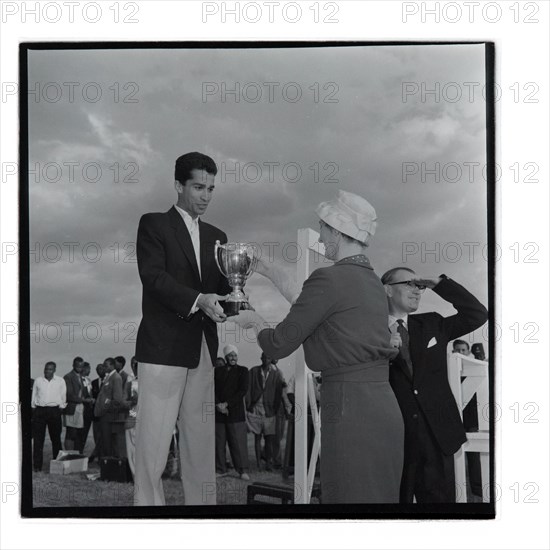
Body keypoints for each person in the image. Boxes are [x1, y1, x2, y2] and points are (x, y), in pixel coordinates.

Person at [235, 190, 404, 503]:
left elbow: (277, 345)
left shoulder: (330, 279)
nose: (322, 236)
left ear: (338, 232)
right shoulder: (371, 284)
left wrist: (254, 319)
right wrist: (265, 268)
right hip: (383, 407)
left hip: (350, 408)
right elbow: (309, 306)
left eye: (324, 228)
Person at [134, 151, 231, 506]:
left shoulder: (218, 236)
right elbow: (153, 277)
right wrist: (200, 299)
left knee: (201, 444)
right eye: (198, 187)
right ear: (178, 185)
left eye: (211, 188)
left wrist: (236, 299)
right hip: (163, 349)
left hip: (203, 351)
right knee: (153, 447)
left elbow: (222, 292)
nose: (205, 195)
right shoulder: (154, 224)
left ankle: (202, 520)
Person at [381, 267, 488, 503]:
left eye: (420, 286)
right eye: (410, 283)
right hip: (392, 440)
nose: (417, 291)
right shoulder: (369, 331)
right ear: (387, 290)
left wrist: (438, 284)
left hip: (436, 437)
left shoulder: (433, 323)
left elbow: (477, 314)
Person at [246, 353, 289, 472]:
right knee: (257, 438)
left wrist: (275, 409)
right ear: (261, 358)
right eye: (264, 358)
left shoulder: (277, 374)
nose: (266, 360)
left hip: (269, 410)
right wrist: (249, 405)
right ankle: (259, 463)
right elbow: (248, 388)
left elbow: (279, 392)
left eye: (269, 358)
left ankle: (269, 463)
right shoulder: (254, 371)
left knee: (270, 439)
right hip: (255, 409)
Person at [452, 339, 482, 499]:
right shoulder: (450, 371)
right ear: (453, 352)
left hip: (472, 419)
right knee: (455, 456)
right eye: (458, 350)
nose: (461, 353)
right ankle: (457, 492)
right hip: (455, 419)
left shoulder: (477, 370)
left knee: (474, 458)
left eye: (464, 350)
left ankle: (477, 490)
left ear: (468, 351)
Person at [214, 345, 250, 480]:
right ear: (226, 357)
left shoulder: (243, 371)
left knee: (238, 443)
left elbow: (242, 391)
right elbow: (212, 389)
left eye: (235, 355)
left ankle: (242, 470)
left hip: (235, 413)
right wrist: (218, 404)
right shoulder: (217, 371)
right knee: (219, 442)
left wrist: (227, 404)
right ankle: (220, 469)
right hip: (219, 412)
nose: (233, 358)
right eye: (230, 355)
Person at [31, 362, 66, 472]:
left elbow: (63, 396)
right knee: (38, 440)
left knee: (56, 439)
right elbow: (34, 396)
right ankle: (37, 466)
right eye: (46, 369)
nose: (47, 371)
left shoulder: (60, 381)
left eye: (50, 369)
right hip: (40, 411)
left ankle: (57, 465)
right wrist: (34, 407)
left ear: (54, 370)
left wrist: (60, 408)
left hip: (54, 411)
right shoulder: (38, 380)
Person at [93, 358, 125, 458]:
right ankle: (107, 465)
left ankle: (110, 466)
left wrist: (105, 406)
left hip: (109, 416)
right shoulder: (109, 377)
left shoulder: (116, 378)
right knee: (105, 442)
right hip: (105, 415)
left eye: (106, 365)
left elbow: (117, 399)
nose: (104, 366)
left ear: (112, 365)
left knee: (108, 443)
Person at [62, 357, 92, 451]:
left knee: (77, 433)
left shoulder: (80, 377)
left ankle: (75, 456)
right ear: (73, 365)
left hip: (80, 409)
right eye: (77, 366)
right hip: (72, 408)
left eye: (81, 366)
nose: (79, 368)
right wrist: (84, 400)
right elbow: (69, 395)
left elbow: (82, 392)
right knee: (71, 433)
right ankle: (69, 455)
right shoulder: (68, 377)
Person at [123, 357, 139, 478]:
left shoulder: (152, 383)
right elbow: (123, 401)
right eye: (133, 364)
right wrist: (131, 402)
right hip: (132, 417)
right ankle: (135, 475)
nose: (135, 367)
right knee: (132, 448)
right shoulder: (129, 383)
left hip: (148, 420)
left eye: (137, 364)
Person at [89, 363, 106, 463]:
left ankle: (97, 455)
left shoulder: (109, 382)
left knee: (104, 436)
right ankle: (98, 455)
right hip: (96, 414)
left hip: (105, 413)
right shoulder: (94, 382)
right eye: (97, 369)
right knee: (96, 435)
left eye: (101, 369)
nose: (99, 371)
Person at [78, 362, 94, 454]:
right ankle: (78, 451)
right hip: (81, 409)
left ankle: (81, 450)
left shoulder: (88, 380)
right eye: (89, 369)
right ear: (84, 369)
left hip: (88, 410)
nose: (90, 371)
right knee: (80, 432)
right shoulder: (78, 379)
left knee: (85, 432)